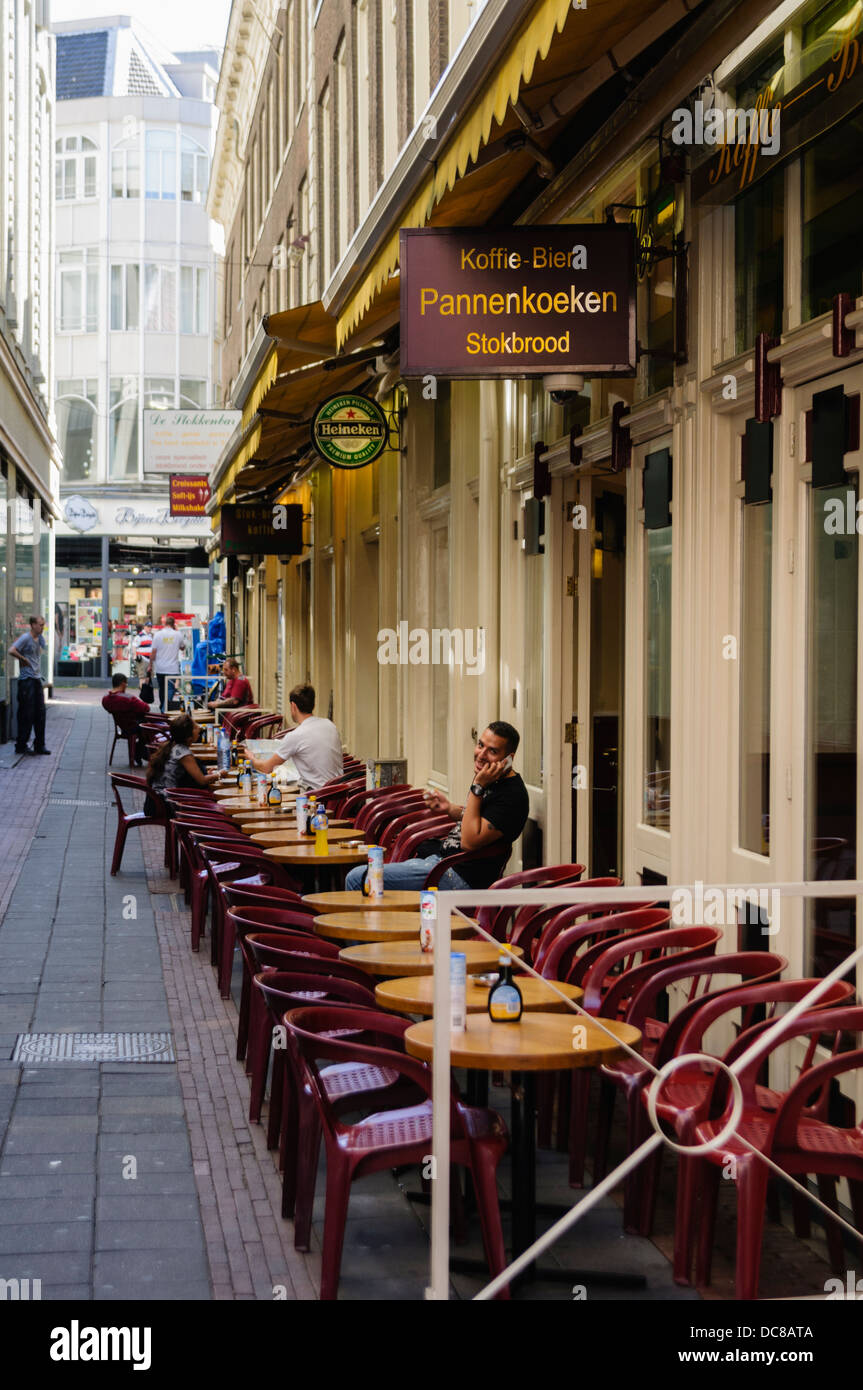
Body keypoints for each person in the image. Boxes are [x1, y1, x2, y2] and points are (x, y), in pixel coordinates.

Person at [345, 722, 529, 892]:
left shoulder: (512, 796)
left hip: (457, 877)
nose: (481, 755)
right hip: (442, 862)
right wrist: (449, 809)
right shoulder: (491, 778)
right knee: (366, 872)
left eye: (492, 751)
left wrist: (478, 787)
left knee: (357, 878)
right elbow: (478, 819)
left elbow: (469, 842)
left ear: (508, 758)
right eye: (480, 745)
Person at [246, 683, 342, 791]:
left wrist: (251, 759)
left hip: (316, 796)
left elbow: (267, 768)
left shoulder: (296, 736)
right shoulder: (330, 725)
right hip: (338, 794)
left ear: (293, 706)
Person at [146, 714, 219, 795]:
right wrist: (220, 774)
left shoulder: (173, 745)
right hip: (168, 799)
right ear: (188, 737)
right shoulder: (183, 753)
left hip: (158, 794)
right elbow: (202, 781)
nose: (198, 727)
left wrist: (206, 774)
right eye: (195, 727)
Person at [8, 616, 49, 756]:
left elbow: (41, 651)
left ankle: (40, 745)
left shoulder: (40, 638)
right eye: (40, 625)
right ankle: (21, 745)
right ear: (32, 625)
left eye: (43, 625)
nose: (42, 627)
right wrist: (23, 659)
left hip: (36, 679)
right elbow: (11, 650)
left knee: (40, 714)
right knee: (27, 714)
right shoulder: (26, 638)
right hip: (27, 681)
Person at [102, 673, 150, 766]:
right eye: (126, 684)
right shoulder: (128, 698)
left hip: (122, 726)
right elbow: (146, 708)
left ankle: (141, 752)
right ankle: (142, 752)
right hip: (134, 726)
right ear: (123, 684)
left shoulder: (106, 699)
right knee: (149, 728)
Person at [148, 615, 186, 713]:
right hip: (172, 668)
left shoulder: (158, 635)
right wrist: (176, 630)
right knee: (170, 689)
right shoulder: (178, 634)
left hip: (160, 668)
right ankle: (165, 709)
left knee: (162, 689)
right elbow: (183, 647)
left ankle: (163, 707)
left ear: (164, 624)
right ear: (173, 624)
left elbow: (153, 652)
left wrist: (150, 665)